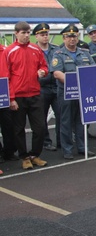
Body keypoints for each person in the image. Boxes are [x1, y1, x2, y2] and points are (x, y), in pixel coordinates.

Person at [0, 21, 48, 170]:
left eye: (28, 32)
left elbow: (44, 65)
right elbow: (5, 76)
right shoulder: (9, 51)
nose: (26, 35)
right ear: (16, 34)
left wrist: (43, 72)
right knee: (19, 129)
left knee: (40, 127)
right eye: (23, 33)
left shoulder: (36, 49)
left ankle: (35, 155)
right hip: (18, 96)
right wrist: (11, 98)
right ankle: (24, 157)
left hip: (34, 94)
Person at [51, 24, 96, 159]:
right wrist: (74, 83)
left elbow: (93, 69)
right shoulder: (58, 54)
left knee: (81, 121)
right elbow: (57, 73)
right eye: (69, 37)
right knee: (66, 121)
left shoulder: (85, 53)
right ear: (64, 39)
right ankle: (67, 149)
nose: (72, 39)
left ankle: (82, 147)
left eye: (74, 36)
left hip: (82, 93)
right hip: (66, 93)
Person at [34, 23, 61, 151]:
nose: (45, 37)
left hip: (56, 85)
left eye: (46, 34)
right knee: (42, 117)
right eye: (42, 35)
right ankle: (46, 142)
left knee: (61, 115)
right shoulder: (33, 50)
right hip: (42, 87)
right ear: (36, 36)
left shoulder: (56, 49)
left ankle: (61, 140)